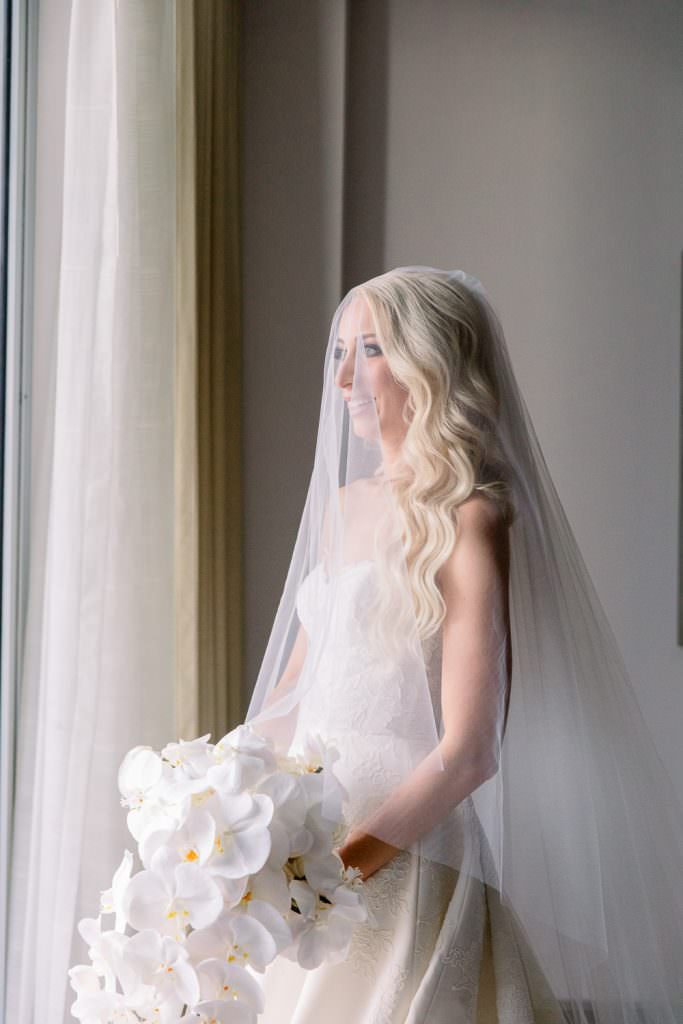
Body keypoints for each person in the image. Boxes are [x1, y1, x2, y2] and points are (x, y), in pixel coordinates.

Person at [245, 267, 683, 1023]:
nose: (344, 378)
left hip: (402, 865)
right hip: (308, 855)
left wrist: (340, 873)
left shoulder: (470, 516)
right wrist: (217, 799)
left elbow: (470, 751)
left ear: (430, 362)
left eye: (372, 350)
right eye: (339, 351)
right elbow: (291, 700)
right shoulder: (342, 509)